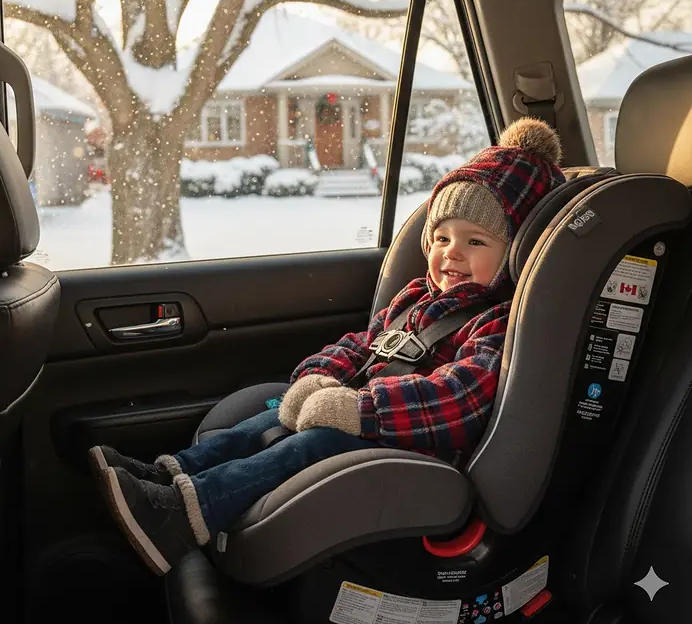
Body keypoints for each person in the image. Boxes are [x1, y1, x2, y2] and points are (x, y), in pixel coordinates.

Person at [88, 117, 565, 576]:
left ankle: (183, 515)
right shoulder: (420, 297)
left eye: (475, 241)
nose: (451, 253)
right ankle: (168, 475)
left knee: (315, 442)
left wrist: (362, 410)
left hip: (414, 443)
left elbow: (460, 398)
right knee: (277, 410)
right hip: (364, 411)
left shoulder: (496, 321)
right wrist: (319, 377)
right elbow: (363, 344)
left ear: (517, 254)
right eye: (441, 237)